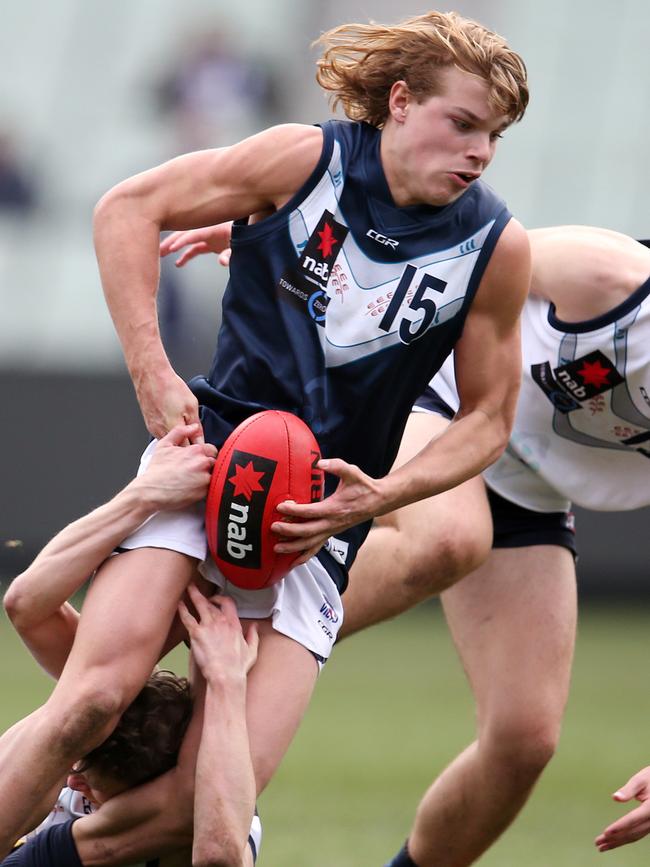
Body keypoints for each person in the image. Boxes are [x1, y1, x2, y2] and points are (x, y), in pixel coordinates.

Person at [0, 11, 531, 859]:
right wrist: (153, 371)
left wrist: (385, 495)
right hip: (206, 460)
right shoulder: (303, 160)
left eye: (494, 136)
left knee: (201, 812)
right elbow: (126, 208)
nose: (479, 152)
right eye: (462, 123)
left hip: (317, 528)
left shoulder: (493, 246)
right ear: (399, 102)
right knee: (91, 701)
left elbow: (488, 421)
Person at [164, 224, 650, 862]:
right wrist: (286, 247)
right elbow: (463, 257)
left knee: (523, 739)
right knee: (447, 538)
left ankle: (199, 677)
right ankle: (176, 670)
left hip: (526, 482)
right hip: (448, 386)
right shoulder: (613, 279)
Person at [2, 426, 261, 866]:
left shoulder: (194, 820)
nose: (73, 781)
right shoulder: (100, 697)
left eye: (90, 787)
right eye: (80, 762)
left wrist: (225, 682)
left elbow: (217, 853)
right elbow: (25, 604)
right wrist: (144, 496)